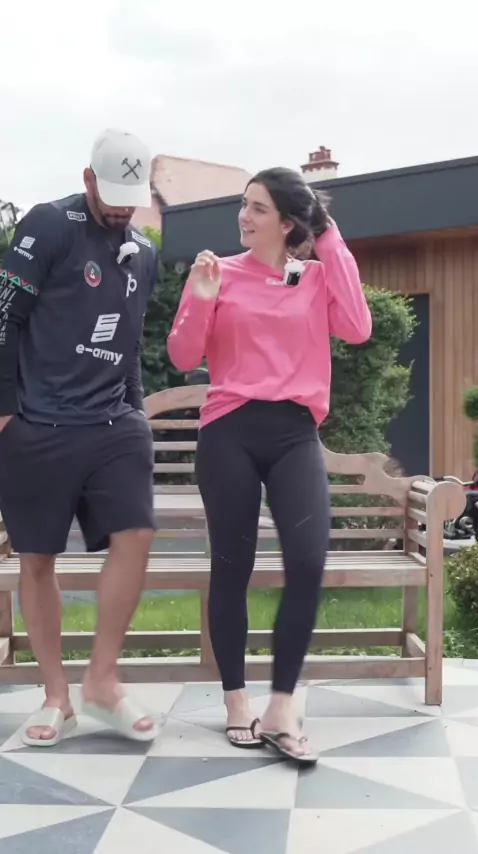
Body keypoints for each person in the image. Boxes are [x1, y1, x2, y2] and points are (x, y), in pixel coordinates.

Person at [167, 167, 372, 765]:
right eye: (243, 204)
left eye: (258, 207)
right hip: (228, 431)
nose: (244, 216)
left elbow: (358, 327)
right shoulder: (218, 272)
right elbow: (183, 355)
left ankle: (282, 706)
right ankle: (237, 700)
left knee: (307, 562)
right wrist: (201, 298)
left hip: (294, 434)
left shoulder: (315, 277)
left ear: (287, 223)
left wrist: (328, 234)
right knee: (233, 566)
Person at [0, 128, 160, 746]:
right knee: (38, 558)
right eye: (112, 194)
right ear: (89, 178)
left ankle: (102, 680)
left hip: (113, 423)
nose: (122, 210)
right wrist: (5, 412)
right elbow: (4, 315)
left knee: (137, 533)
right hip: (38, 423)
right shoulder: (50, 226)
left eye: (132, 199)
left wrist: (137, 412)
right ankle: (56, 697)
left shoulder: (142, 252)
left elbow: (130, 343)